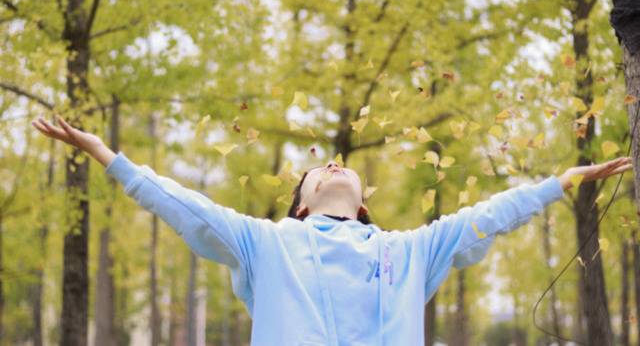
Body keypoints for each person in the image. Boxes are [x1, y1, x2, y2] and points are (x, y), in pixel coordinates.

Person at [31, 114, 633, 346]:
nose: (335, 164)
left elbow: (489, 217)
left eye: (343, 165)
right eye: (319, 168)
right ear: (301, 204)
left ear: (365, 205)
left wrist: (563, 181)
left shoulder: (408, 251)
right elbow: (183, 205)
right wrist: (108, 154)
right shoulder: (266, 243)